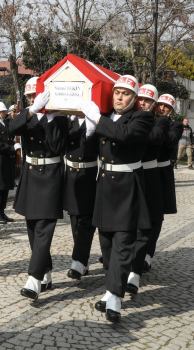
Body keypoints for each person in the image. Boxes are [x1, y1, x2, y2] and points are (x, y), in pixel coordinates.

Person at [80, 75, 153, 323]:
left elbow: (124, 135)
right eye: (117, 92)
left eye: (126, 94)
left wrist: (97, 120)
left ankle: (114, 297)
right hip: (104, 188)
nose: (120, 97)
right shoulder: (107, 117)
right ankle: (111, 289)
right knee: (107, 246)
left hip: (127, 189)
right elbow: (89, 151)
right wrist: (87, 131)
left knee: (123, 244)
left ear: (134, 98)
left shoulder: (143, 117)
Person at [10, 76, 67, 301]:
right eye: (30, 96)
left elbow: (56, 146)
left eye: (36, 95)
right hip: (30, 176)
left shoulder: (59, 118)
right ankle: (45, 272)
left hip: (50, 176)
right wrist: (32, 111)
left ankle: (34, 279)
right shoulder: (28, 115)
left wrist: (51, 118)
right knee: (33, 228)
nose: (33, 99)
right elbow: (10, 128)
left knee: (44, 228)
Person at [125, 84, 170, 295]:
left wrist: (130, 133)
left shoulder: (159, 120)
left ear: (153, 104)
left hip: (150, 176)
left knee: (146, 224)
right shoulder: (128, 116)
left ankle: (136, 270)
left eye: (147, 101)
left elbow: (157, 137)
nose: (143, 103)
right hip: (129, 174)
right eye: (140, 99)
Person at [144, 94, 183, 271]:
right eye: (159, 105)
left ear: (172, 110)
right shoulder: (147, 119)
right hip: (145, 170)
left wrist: (158, 129)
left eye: (166, 107)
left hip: (162, 172)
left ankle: (147, 254)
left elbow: (171, 140)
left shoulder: (175, 125)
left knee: (157, 216)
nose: (161, 108)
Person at [64, 109, 100, 280]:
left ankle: (78, 260)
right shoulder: (67, 121)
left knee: (86, 220)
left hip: (89, 174)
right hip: (70, 174)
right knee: (75, 220)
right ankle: (83, 262)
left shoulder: (95, 118)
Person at [0, 102, 18, 225]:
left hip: (7, 159)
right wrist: (12, 148)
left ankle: (2, 211)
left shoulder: (5, 123)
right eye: (2, 111)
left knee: (5, 187)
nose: (5, 113)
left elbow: (12, 133)